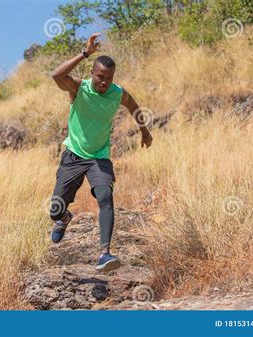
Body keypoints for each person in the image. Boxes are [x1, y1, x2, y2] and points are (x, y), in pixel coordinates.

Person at [49, 32, 153, 272]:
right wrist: (85, 53)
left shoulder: (118, 93)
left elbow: (134, 107)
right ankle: (64, 219)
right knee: (55, 210)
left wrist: (145, 132)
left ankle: (105, 254)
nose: (105, 82)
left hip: (99, 157)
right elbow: (56, 75)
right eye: (101, 77)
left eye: (109, 78)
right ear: (92, 74)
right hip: (73, 156)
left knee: (105, 196)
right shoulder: (78, 89)